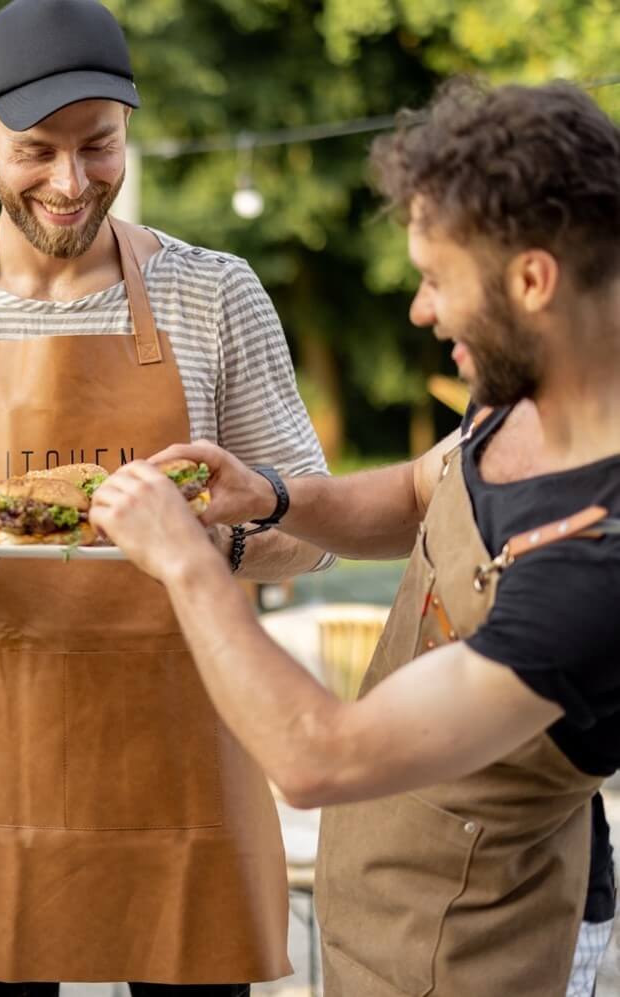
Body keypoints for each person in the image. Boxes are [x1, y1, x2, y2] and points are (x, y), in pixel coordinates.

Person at [0, 1, 335, 991]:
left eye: (99, 146)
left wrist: (217, 543)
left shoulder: (216, 295)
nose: (72, 184)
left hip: (183, 767)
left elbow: (313, 519)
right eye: (36, 150)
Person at [91, 79, 620, 995]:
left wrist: (185, 561)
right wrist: (271, 495)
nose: (420, 309)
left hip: (478, 958)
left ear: (533, 280)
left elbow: (316, 756)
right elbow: (427, 488)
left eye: (436, 278)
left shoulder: (594, 564)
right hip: (381, 923)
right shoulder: (526, 386)